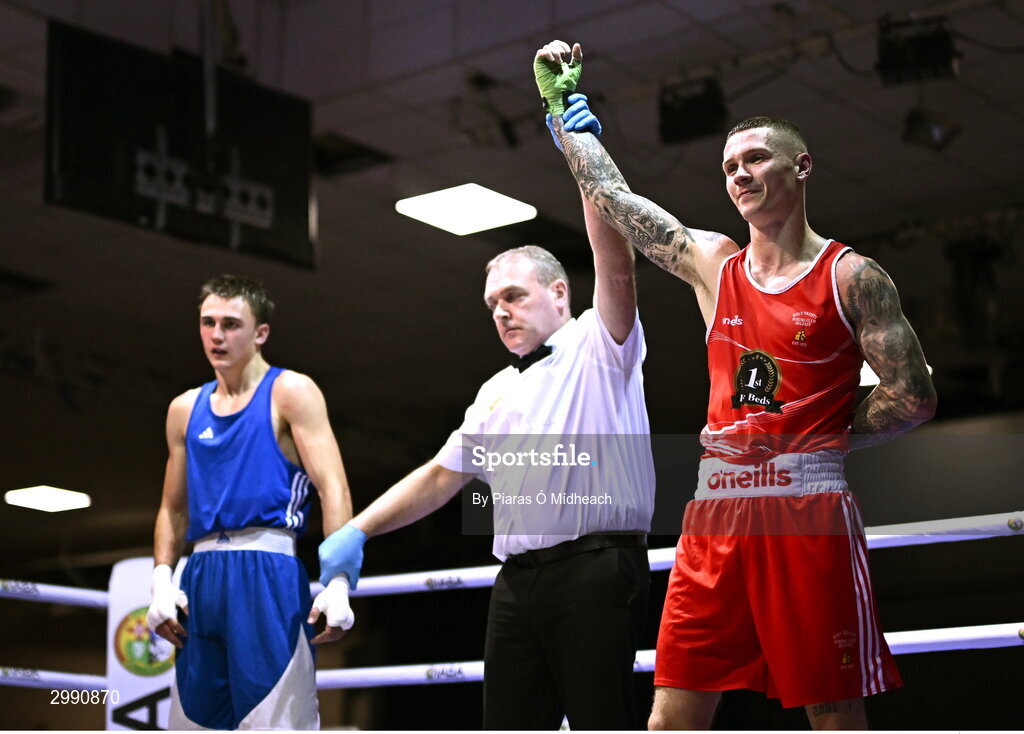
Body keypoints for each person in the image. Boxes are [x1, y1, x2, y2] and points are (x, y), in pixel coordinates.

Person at [535, 40, 937, 730]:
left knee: (833, 712)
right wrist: (564, 117)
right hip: (716, 509)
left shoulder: (851, 277)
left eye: (755, 159)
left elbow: (913, 396)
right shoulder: (715, 265)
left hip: (805, 508)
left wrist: (815, 437)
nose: (740, 175)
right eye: (728, 167)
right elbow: (615, 200)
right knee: (671, 716)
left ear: (801, 165)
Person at [317, 234, 656, 729]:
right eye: (492, 303)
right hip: (516, 583)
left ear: (560, 294)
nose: (501, 312)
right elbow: (439, 476)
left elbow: (618, 269)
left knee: (601, 721)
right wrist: (356, 531)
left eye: (514, 295)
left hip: (596, 569)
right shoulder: (495, 390)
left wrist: (588, 168)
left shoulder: (598, 345)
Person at [147, 274, 355, 730]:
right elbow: (172, 507)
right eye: (207, 322)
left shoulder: (292, 392)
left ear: (261, 333)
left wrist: (338, 578)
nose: (217, 335)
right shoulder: (184, 408)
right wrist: (161, 577)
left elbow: (333, 487)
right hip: (199, 578)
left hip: (268, 572)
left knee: (277, 722)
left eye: (230, 324)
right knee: (193, 723)